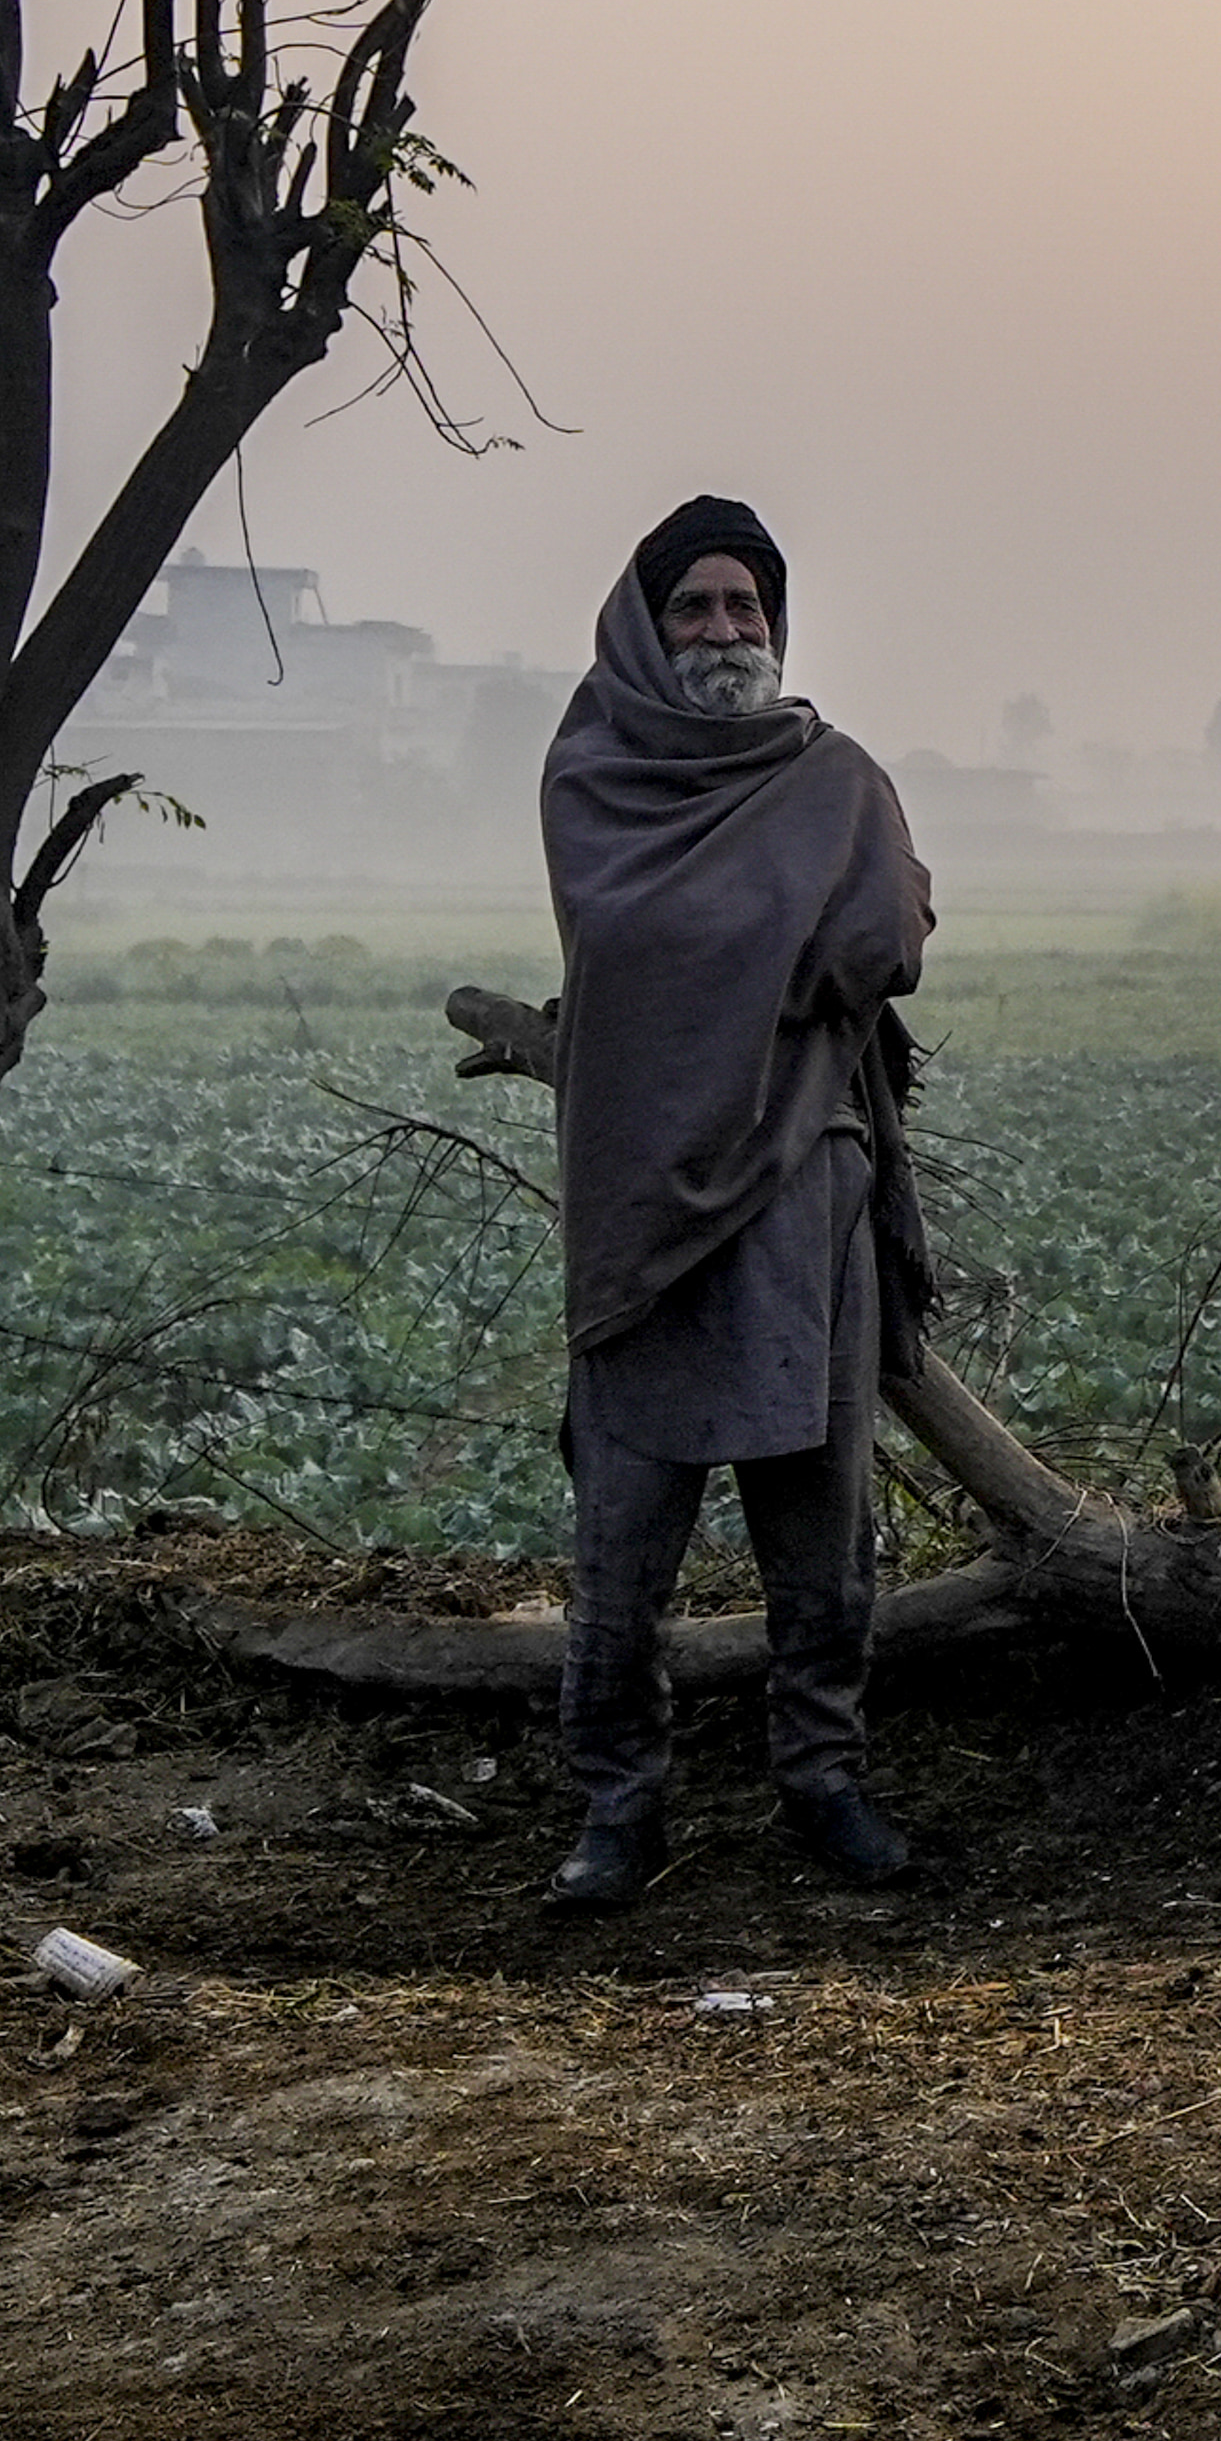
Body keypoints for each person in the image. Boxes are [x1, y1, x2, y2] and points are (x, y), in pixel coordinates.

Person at [453, 496, 938, 1910]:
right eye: (697, 610)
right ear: (646, 631)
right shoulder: (595, 778)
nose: (727, 633)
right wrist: (787, 945)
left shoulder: (834, 775)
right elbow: (642, 937)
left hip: (803, 1184)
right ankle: (618, 1809)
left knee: (819, 1522)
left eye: (748, 609)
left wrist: (775, 947)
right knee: (625, 1533)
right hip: (641, 1204)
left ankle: (823, 1781)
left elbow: (883, 944)